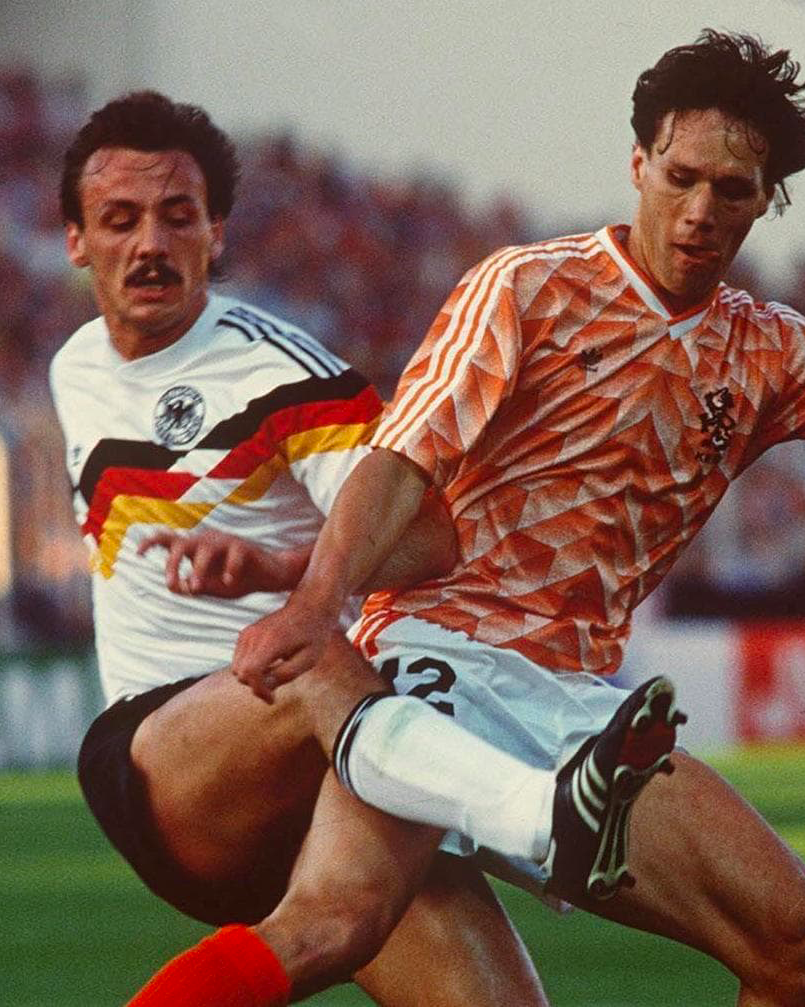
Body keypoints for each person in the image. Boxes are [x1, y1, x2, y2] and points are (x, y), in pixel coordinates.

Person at [131, 28, 805, 1007]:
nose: (700, 210)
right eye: (680, 176)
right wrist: (315, 603)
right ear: (637, 164)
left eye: (732, 190)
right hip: (439, 660)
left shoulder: (767, 351)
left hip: (580, 707)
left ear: (765, 199)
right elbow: (399, 460)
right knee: (332, 920)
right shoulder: (528, 288)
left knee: (790, 942)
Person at [51, 90, 557, 1006]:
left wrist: (283, 569)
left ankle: (513, 804)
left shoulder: (282, 374)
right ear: (77, 241)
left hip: (335, 765)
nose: (150, 244)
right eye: (119, 220)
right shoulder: (74, 363)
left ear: (217, 232)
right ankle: (532, 810)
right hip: (171, 754)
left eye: (177, 216)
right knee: (319, 656)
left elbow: (430, 537)